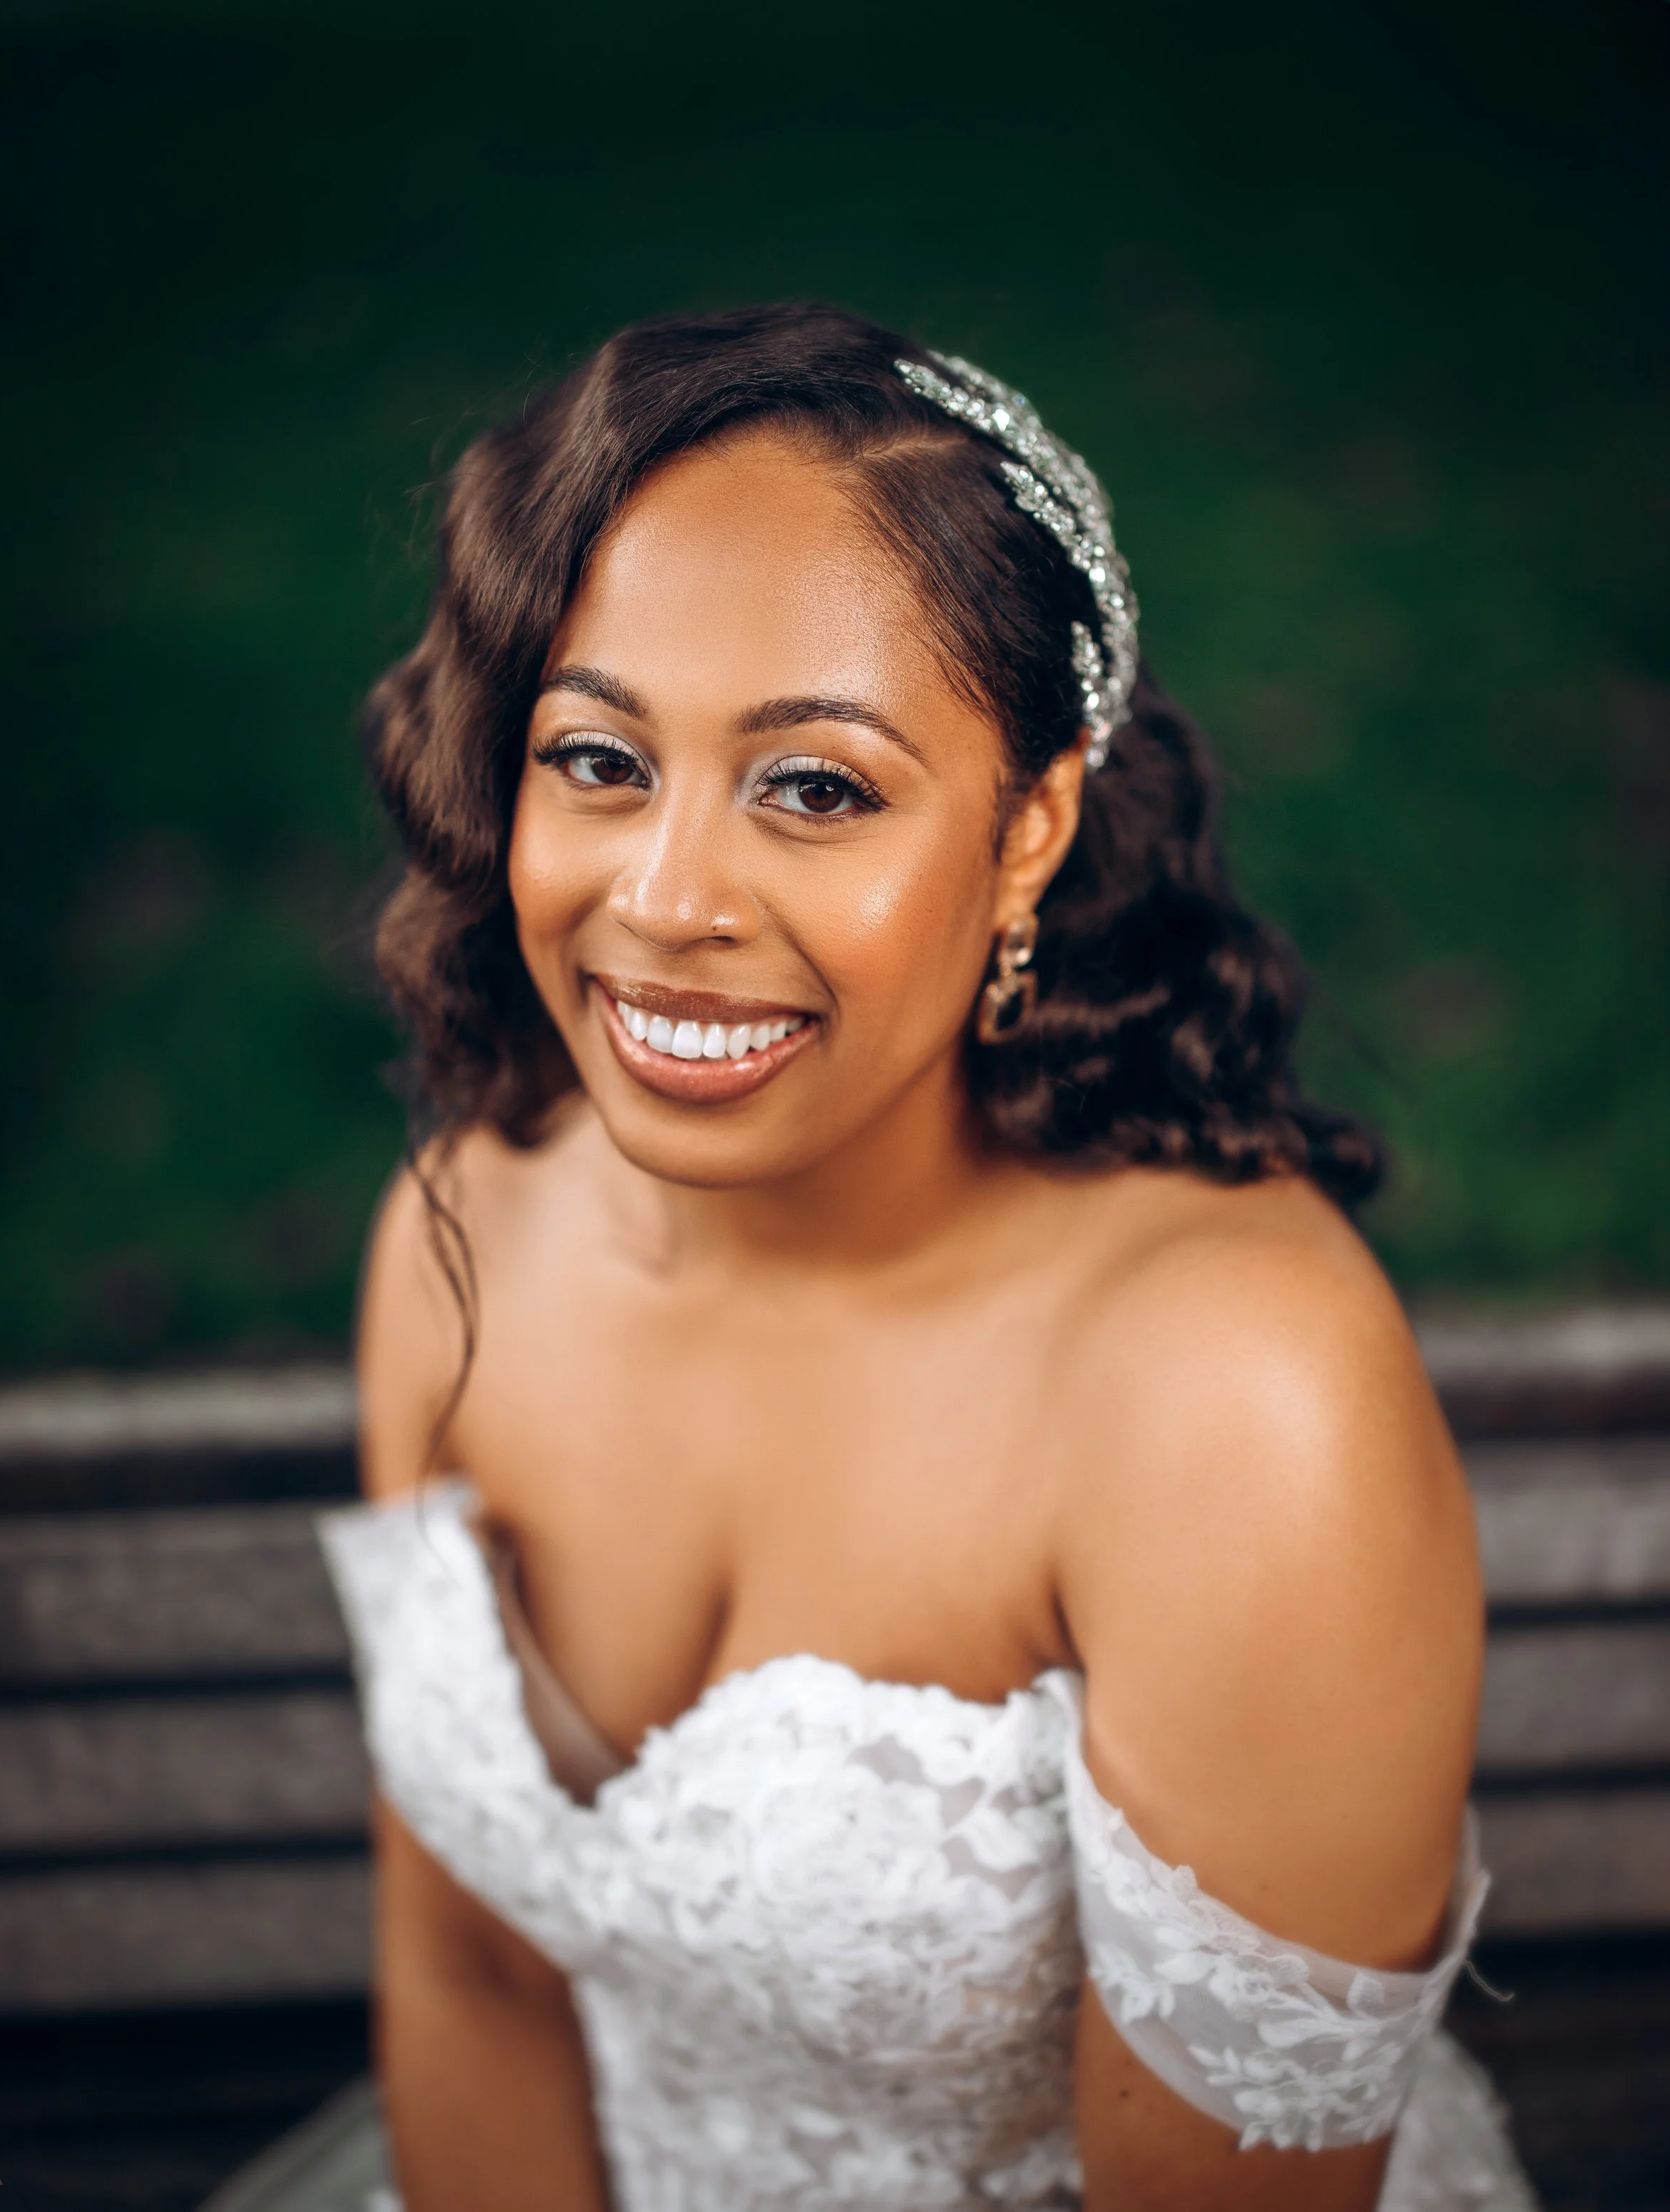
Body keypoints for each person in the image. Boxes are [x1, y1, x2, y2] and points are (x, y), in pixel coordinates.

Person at [316, 304, 1535, 2211]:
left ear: (1029, 823)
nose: (665, 902)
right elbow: (472, 1976)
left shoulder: (1232, 1402)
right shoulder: (458, 1227)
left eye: (814, 785)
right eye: (598, 757)